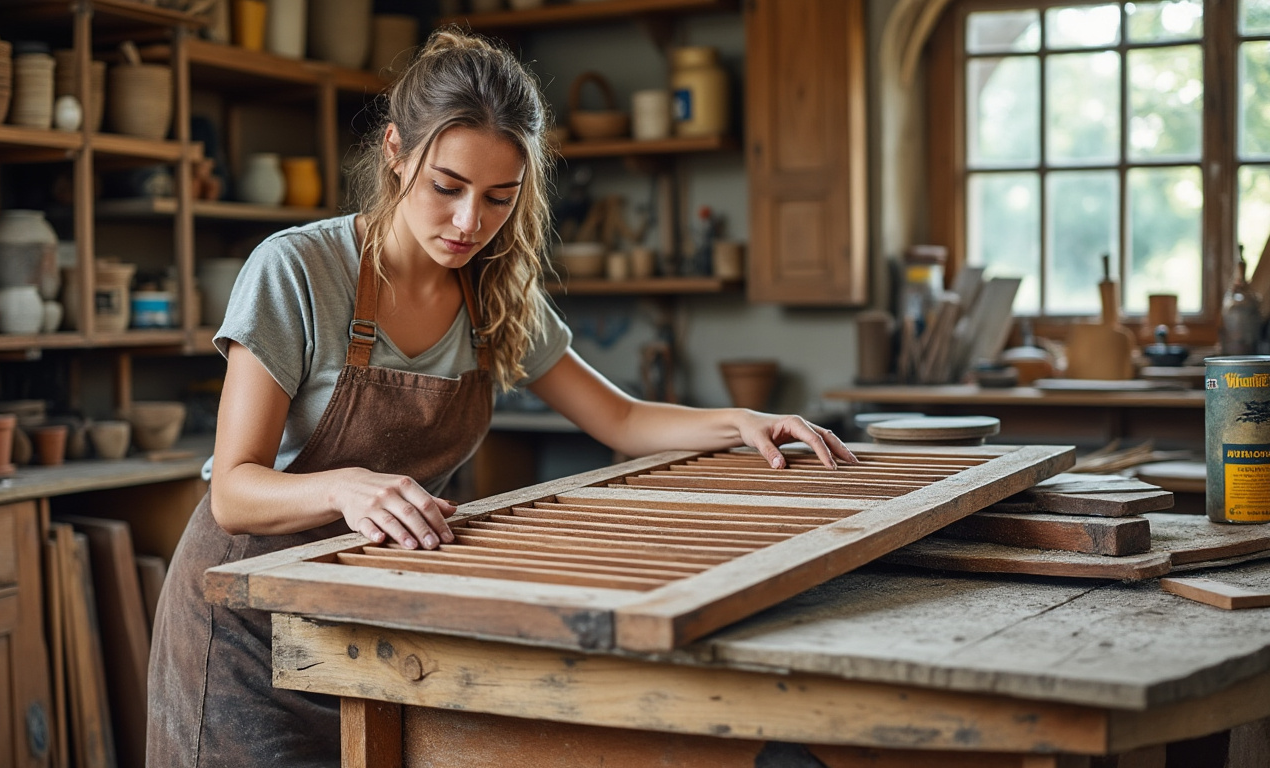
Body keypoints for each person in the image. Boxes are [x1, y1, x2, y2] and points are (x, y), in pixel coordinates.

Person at [146, 28, 856, 767]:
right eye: (446, 188)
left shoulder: (496, 291)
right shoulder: (296, 269)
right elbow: (233, 493)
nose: (469, 224)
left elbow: (620, 418)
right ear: (395, 153)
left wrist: (742, 422)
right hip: (243, 625)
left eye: (498, 198)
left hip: (369, 620)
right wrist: (345, 487)